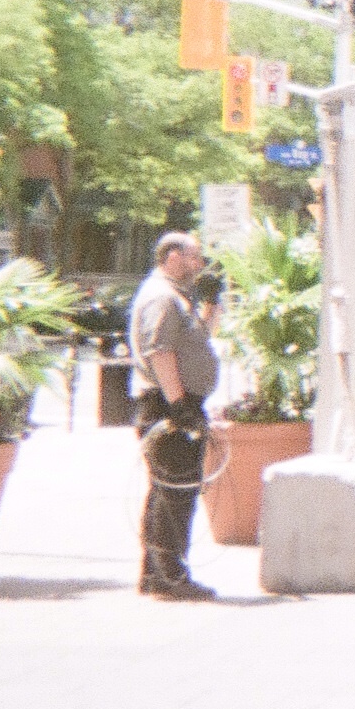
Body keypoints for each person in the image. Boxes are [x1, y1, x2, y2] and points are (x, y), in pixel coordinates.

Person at [126, 229, 219, 602]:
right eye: (194, 257)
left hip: (177, 402)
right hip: (167, 404)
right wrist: (179, 404)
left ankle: (156, 573)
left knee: (169, 490)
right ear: (173, 257)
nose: (200, 264)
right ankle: (170, 576)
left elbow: (201, 339)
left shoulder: (179, 296)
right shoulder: (162, 297)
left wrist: (212, 303)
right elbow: (160, 351)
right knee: (176, 490)